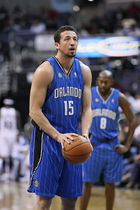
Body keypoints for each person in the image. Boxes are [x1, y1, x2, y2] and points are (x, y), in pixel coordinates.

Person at [28, 25, 92, 210]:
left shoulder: (84, 71)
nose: (72, 43)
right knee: (44, 200)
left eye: (75, 39)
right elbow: (34, 111)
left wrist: (85, 134)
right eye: (67, 39)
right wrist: (58, 136)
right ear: (57, 44)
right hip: (48, 142)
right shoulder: (45, 71)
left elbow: (87, 108)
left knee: (71, 199)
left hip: (73, 140)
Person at [80, 70, 136, 210]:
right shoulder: (89, 93)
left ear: (112, 82)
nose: (103, 84)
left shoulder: (119, 97)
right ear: (97, 80)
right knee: (87, 183)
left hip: (112, 145)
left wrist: (127, 145)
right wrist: (83, 136)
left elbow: (132, 121)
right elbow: (78, 116)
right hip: (94, 144)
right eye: (101, 81)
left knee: (110, 184)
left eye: (106, 81)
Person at [0, 98, 21, 181]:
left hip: (4, 133)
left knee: (6, 155)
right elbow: (18, 123)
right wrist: (19, 131)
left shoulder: (1, 111)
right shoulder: (15, 112)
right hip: (12, 133)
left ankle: (7, 173)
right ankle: (9, 173)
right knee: (10, 155)